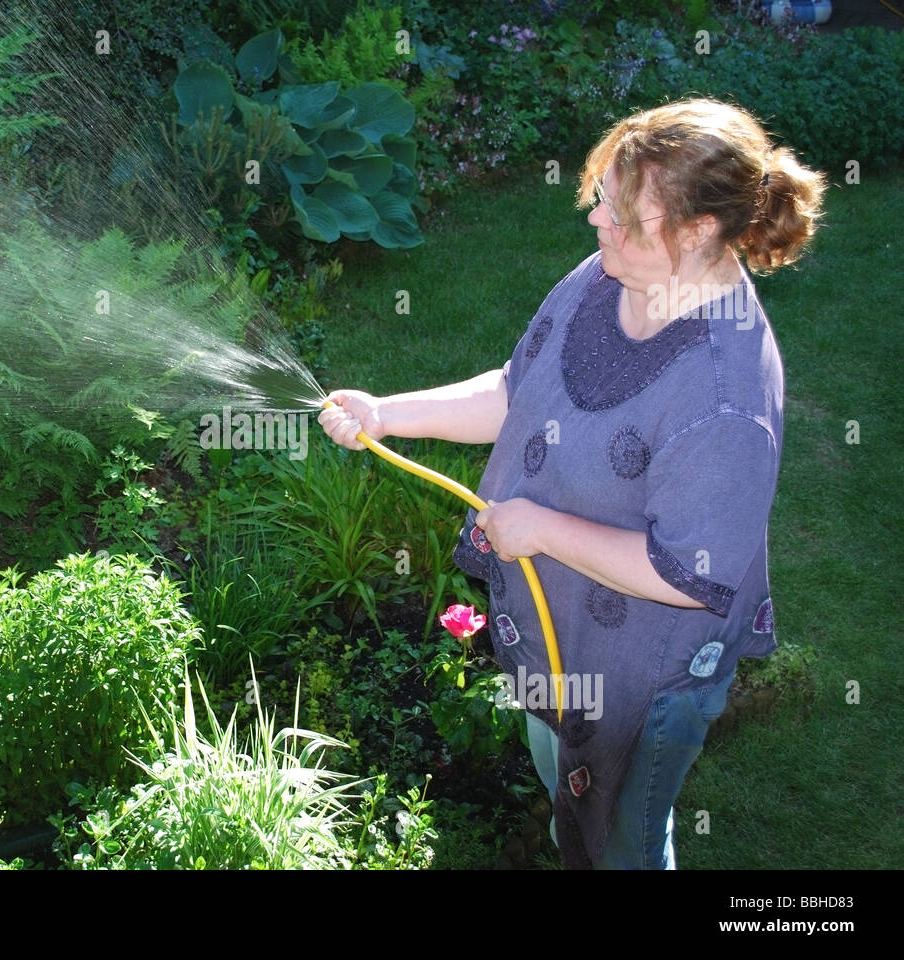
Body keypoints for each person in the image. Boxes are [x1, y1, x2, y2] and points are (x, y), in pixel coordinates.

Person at [318, 99, 826, 869]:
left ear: (697, 232)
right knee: (568, 800)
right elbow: (518, 387)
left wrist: (544, 531)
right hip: (562, 635)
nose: (596, 222)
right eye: (603, 201)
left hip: (646, 678)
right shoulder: (607, 275)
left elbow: (693, 577)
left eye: (621, 214)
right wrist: (388, 413)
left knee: (625, 843)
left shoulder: (726, 397)